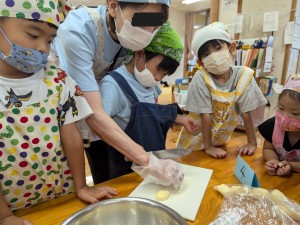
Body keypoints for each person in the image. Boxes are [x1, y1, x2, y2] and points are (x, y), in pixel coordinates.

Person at [0, 1, 117, 225]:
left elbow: (71, 135)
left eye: (50, 40)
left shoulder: (57, 79)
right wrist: (4, 215)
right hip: (13, 208)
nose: (43, 48)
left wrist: (81, 186)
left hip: (62, 195)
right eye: (33, 36)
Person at [51, 0, 184, 186]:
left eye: (155, 25)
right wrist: (147, 160)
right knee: (99, 169)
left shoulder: (132, 39)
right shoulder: (80, 31)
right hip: (73, 108)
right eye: (143, 22)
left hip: (101, 110)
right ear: (113, 6)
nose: (148, 33)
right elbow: (94, 113)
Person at [99, 21, 199, 179]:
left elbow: (153, 114)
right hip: (126, 168)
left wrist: (181, 118)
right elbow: (101, 125)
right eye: (158, 69)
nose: (159, 78)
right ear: (139, 53)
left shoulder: (149, 82)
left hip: (156, 163)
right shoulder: (112, 85)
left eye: (165, 75)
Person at [176, 22, 267, 159]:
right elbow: (205, 115)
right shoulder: (201, 78)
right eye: (206, 54)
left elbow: (246, 112)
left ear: (232, 48)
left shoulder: (243, 76)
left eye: (218, 48)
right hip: (194, 142)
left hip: (220, 141)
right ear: (201, 63)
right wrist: (208, 147)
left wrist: (252, 143)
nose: (214, 56)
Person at [258, 74, 300, 176]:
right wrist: (273, 161)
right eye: (281, 108)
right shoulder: (273, 125)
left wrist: (291, 166)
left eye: (294, 113)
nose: (284, 116)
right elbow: (268, 149)